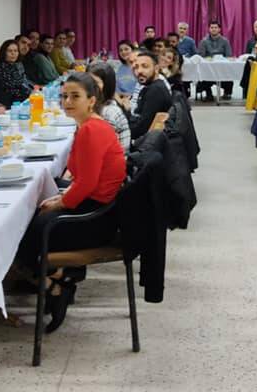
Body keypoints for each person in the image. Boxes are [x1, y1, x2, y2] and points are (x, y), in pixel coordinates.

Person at [16, 72, 126, 332]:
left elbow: (86, 183)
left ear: (91, 100)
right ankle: (61, 278)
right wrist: (62, 197)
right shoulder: (88, 125)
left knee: (21, 235)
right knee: (31, 215)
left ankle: (58, 283)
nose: (67, 102)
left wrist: (60, 203)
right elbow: (82, 180)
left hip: (97, 219)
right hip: (95, 206)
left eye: (75, 96)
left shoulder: (92, 130)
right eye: (64, 96)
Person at [119, 50, 173, 141]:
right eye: (136, 67)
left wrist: (127, 110)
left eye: (145, 66)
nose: (139, 71)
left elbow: (139, 130)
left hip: (147, 144)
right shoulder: (150, 86)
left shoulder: (155, 91)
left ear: (156, 69)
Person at [87, 61, 131, 150]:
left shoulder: (108, 112)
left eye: (96, 83)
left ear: (107, 85)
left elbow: (101, 149)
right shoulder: (99, 105)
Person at [198, 19, 233, 101]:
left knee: (229, 75)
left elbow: (228, 55)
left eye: (215, 27)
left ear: (219, 29)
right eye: (212, 27)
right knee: (202, 75)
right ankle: (208, 94)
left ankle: (227, 92)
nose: (213, 29)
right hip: (208, 67)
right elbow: (201, 56)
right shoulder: (203, 41)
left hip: (222, 67)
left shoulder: (225, 41)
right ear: (209, 29)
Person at [0, 38, 35, 106]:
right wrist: (30, 94)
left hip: (24, 99)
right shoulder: (1, 69)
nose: (13, 53)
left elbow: (25, 82)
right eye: (9, 51)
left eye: (15, 51)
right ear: (4, 53)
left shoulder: (18, 66)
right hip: (13, 103)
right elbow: (12, 89)